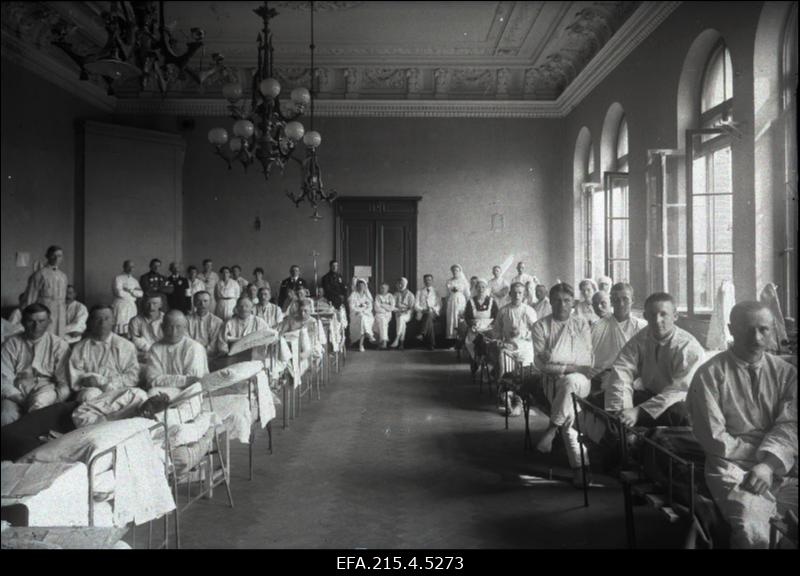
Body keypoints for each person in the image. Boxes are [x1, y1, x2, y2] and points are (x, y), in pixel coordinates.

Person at [687, 302, 797, 549]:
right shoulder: (709, 374)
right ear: (731, 329)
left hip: (779, 464)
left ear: (773, 330)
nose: (756, 338)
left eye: (764, 330)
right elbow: (713, 436)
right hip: (731, 466)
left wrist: (768, 465)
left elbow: (790, 424)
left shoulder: (786, 373)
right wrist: (759, 463)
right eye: (748, 330)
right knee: (753, 528)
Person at [604, 292, 705, 427]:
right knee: (608, 403)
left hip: (680, 403)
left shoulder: (688, 347)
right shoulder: (641, 338)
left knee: (679, 413)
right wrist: (623, 411)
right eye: (652, 315)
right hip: (653, 397)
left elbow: (679, 390)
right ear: (645, 316)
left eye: (663, 314)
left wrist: (638, 412)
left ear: (675, 316)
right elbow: (622, 369)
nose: (657, 321)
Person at [531, 283, 594, 486]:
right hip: (552, 382)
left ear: (572, 303)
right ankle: (580, 468)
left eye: (567, 300)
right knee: (571, 418)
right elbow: (540, 365)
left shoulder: (581, 324)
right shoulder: (540, 326)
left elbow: (585, 361)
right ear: (550, 302)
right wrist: (569, 365)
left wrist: (555, 360)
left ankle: (550, 431)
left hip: (582, 382)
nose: (562, 305)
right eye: (557, 300)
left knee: (569, 383)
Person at [1, 304, 70, 426]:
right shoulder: (11, 343)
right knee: (5, 414)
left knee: (38, 406)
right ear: (22, 322)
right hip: (17, 392)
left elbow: (64, 382)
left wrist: (56, 399)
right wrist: (19, 398)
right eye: (30, 321)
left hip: (46, 390)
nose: (36, 326)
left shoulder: (59, 345)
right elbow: (4, 379)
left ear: (49, 321)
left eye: (41, 321)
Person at [68, 305, 139, 402]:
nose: (102, 323)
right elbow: (75, 375)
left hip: (118, 389)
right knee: (88, 396)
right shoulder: (80, 347)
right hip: (92, 391)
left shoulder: (126, 346)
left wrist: (105, 383)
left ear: (113, 321)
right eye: (98, 319)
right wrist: (85, 380)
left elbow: (133, 377)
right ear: (91, 322)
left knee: (137, 396)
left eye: (107, 318)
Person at [590, 283, 647, 388]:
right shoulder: (597, 326)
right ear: (611, 301)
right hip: (602, 376)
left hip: (634, 376)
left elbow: (648, 361)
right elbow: (588, 358)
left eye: (625, 299)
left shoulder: (643, 327)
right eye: (616, 299)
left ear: (632, 300)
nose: (621, 304)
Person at [144, 310, 209, 390]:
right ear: (162, 327)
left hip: (187, 393)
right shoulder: (155, 348)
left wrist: (166, 380)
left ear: (185, 328)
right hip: (163, 391)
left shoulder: (194, 347)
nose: (173, 332)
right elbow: (152, 380)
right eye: (169, 327)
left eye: (178, 327)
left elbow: (194, 381)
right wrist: (183, 380)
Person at [491, 282, 539, 377]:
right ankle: (507, 388)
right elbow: (496, 330)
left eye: (520, 293)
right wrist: (499, 341)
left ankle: (524, 387)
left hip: (526, 346)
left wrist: (521, 333)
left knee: (526, 373)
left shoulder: (529, 311)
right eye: (514, 293)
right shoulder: (503, 311)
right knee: (506, 369)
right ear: (510, 294)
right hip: (509, 346)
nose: (517, 296)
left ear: (524, 294)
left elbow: (536, 332)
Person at [23, 245, 68, 336]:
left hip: (60, 311)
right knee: (45, 333)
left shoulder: (63, 276)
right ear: (47, 256)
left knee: (59, 335)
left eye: (59, 256)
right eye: (53, 255)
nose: (56, 258)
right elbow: (30, 297)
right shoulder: (39, 274)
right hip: (45, 308)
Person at [463, 278, 499, 362]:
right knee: (472, 341)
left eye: (483, 287)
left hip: (489, 327)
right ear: (476, 288)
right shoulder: (470, 302)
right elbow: (467, 317)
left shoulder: (492, 301)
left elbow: (497, 316)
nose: (481, 289)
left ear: (486, 288)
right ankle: (477, 358)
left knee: (489, 341)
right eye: (479, 287)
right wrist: (472, 325)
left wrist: (492, 325)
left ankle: (488, 358)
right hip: (475, 327)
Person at [187, 291, 224, 359]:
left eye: (205, 301)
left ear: (210, 302)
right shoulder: (186, 320)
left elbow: (214, 343)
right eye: (199, 301)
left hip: (210, 356)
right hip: (191, 355)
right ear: (194, 303)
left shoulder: (218, 322)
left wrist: (204, 354)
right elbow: (187, 340)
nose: (202, 304)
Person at [128, 294, 164, 363]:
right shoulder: (135, 321)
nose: (151, 307)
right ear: (143, 304)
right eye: (148, 303)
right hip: (143, 356)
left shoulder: (166, 319)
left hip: (163, 354)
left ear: (160, 305)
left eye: (154, 303)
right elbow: (135, 340)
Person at [112, 260, 143, 335]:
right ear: (124, 267)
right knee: (120, 327)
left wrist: (130, 290)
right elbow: (119, 292)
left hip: (131, 305)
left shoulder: (134, 281)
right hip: (121, 305)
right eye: (128, 266)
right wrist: (133, 294)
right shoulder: (118, 278)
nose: (130, 269)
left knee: (131, 327)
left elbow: (141, 294)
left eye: (132, 267)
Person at [445, 264, 471, 348]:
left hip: (460, 302)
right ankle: (452, 343)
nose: (455, 272)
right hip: (451, 302)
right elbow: (447, 294)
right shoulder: (449, 281)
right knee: (451, 321)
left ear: (460, 271)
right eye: (453, 270)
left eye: (456, 270)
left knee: (458, 320)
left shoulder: (464, 281)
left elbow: (467, 295)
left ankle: (460, 343)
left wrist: (468, 307)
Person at [415, 274, 441, 350]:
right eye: (426, 280)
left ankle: (422, 333)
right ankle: (431, 344)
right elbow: (416, 304)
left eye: (429, 280)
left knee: (429, 314)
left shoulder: (436, 291)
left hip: (433, 312)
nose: (427, 281)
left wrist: (433, 309)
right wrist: (422, 309)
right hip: (422, 312)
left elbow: (439, 304)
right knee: (429, 322)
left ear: (432, 281)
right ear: (423, 281)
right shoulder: (419, 291)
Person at [348, 279, 375, 352]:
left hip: (367, 314)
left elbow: (370, 307)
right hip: (355, 315)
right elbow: (352, 307)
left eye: (363, 286)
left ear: (365, 287)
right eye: (359, 286)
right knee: (362, 318)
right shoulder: (353, 295)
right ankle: (369, 335)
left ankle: (361, 344)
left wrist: (363, 311)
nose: (361, 287)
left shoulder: (367, 296)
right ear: (357, 287)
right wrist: (360, 310)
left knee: (363, 319)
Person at [391, 277, 416, 350]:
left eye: (401, 284)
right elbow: (392, 306)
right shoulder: (395, 294)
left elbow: (411, 307)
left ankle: (397, 338)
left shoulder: (410, 294)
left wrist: (404, 311)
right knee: (402, 322)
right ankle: (401, 343)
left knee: (401, 318)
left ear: (405, 284)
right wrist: (398, 311)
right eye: (398, 284)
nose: (400, 286)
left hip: (407, 314)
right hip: (397, 312)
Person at [373, 283, 396, 350]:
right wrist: (386, 308)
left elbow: (392, 307)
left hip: (388, 315)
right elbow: (376, 308)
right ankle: (384, 342)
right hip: (379, 314)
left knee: (383, 321)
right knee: (382, 322)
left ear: (388, 289)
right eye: (381, 288)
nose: (383, 289)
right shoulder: (377, 296)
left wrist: (382, 305)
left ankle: (381, 342)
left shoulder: (390, 296)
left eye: (384, 288)